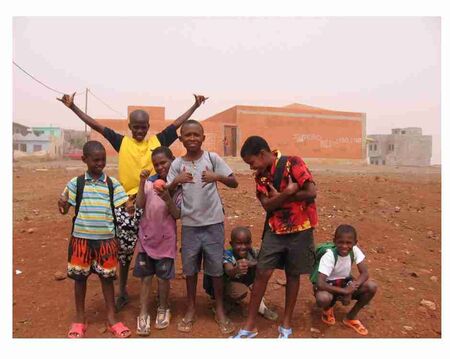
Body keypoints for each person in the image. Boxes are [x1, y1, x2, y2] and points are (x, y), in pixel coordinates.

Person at [57, 92, 207, 311]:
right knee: (125, 250)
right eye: (135, 127)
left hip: (155, 201)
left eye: (143, 126)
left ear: (148, 126)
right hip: (127, 204)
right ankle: (123, 291)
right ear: (129, 126)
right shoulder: (122, 142)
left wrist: (195, 106)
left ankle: (159, 292)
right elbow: (96, 126)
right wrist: (73, 107)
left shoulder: (158, 141)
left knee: (157, 244)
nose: (139, 130)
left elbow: (177, 123)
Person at [233, 135, 318, 338]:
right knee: (262, 272)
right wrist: (287, 192)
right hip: (275, 229)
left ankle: (286, 324)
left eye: (252, 163)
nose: (252, 168)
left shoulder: (293, 162)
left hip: (301, 229)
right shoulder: (261, 177)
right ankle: (250, 325)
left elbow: (312, 191)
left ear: (262, 154)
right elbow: (267, 205)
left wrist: (278, 196)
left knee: (293, 274)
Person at [166, 119, 239, 335]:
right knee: (190, 270)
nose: (192, 139)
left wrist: (216, 176)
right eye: (187, 135)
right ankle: (191, 309)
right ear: (180, 139)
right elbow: (167, 193)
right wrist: (175, 181)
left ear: (203, 137)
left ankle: (219, 308)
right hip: (190, 225)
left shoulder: (212, 158)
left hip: (213, 224)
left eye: (196, 135)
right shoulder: (177, 164)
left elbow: (234, 182)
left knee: (215, 269)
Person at [58, 141, 131, 338]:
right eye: (95, 160)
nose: (100, 163)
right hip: (81, 240)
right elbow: (65, 209)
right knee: (80, 280)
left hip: (106, 241)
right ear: (84, 160)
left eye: (103, 160)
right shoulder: (77, 183)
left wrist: (130, 207)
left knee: (107, 279)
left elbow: (123, 207)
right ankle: (80, 319)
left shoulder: (112, 184)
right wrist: (63, 204)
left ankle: (111, 318)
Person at [133, 147, 181, 336]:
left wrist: (168, 197)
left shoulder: (177, 186)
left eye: (164, 162)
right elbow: (139, 204)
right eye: (156, 164)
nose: (160, 167)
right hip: (146, 238)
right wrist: (142, 181)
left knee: (163, 278)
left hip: (166, 241)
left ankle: (163, 307)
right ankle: (143, 313)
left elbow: (177, 214)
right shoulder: (150, 183)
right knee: (145, 278)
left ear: (172, 160)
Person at [313, 224, 377, 336]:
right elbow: (320, 282)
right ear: (334, 241)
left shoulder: (355, 250)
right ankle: (327, 308)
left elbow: (365, 273)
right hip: (329, 285)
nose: (344, 246)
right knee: (323, 298)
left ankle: (350, 317)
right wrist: (345, 291)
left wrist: (352, 287)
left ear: (355, 243)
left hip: (344, 282)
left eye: (348, 243)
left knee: (371, 286)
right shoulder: (329, 256)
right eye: (340, 242)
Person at [204, 226, 278, 321]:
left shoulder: (253, 252)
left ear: (250, 243)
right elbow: (229, 270)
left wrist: (251, 263)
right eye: (239, 244)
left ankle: (261, 306)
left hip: (242, 281)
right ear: (231, 244)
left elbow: (268, 261)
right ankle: (223, 304)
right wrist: (236, 269)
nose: (243, 247)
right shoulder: (227, 254)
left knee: (261, 273)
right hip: (225, 286)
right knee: (240, 291)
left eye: (246, 243)